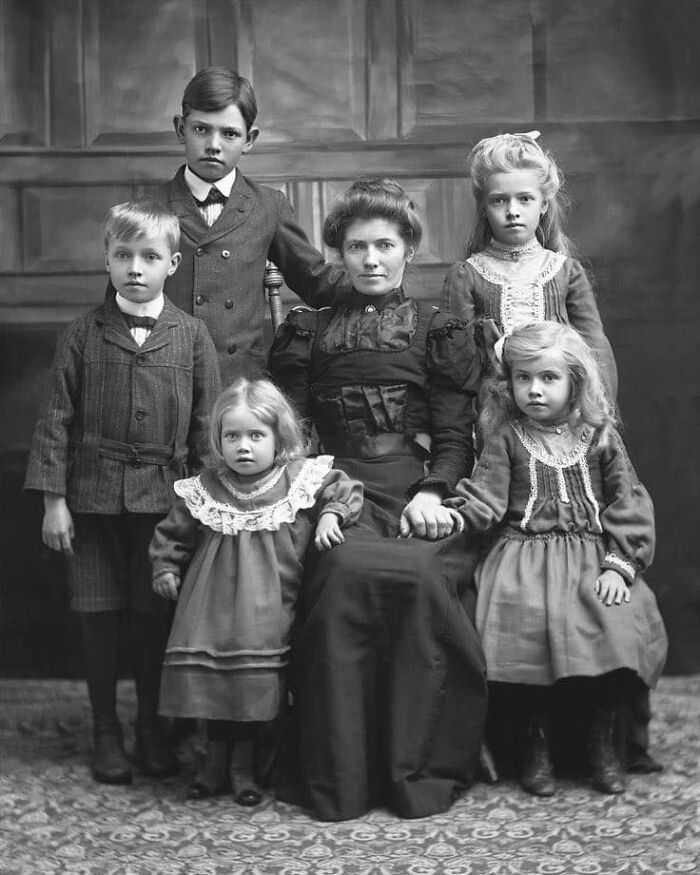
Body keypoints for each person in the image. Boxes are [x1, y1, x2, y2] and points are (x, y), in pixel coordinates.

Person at [269, 178, 487, 821]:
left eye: (384, 245)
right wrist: (321, 497)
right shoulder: (308, 331)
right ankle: (342, 774)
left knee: (419, 573)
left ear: (409, 250)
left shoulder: (438, 328)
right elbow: (296, 435)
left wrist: (432, 490)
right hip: (333, 489)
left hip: (415, 490)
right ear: (337, 252)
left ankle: (412, 767)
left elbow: (452, 437)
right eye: (357, 246)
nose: (370, 259)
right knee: (339, 573)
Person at [24, 201, 221, 785]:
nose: (136, 267)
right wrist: (53, 500)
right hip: (89, 500)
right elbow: (55, 419)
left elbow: (208, 426)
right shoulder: (84, 334)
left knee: (151, 616)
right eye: (123, 255)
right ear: (106, 259)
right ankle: (105, 727)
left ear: (173, 263)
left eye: (150, 257)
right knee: (98, 615)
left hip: (164, 504)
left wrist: (209, 507)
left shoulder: (192, 335)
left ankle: (151, 729)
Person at [444, 322, 667, 796]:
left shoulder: (599, 436)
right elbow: (486, 498)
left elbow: (627, 500)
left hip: (592, 555)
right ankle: (535, 745)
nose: (534, 390)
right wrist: (453, 515)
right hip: (522, 558)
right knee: (526, 627)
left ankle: (602, 745)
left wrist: (618, 564)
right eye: (523, 379)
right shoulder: (506, 439)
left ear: (575, 382)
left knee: (614, 625)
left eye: (548, 378)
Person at [149, 377, 363, 804]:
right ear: (219, 440)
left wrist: (329, 516)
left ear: (279, 436)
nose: (243, 446)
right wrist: (166, 566)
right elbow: (174, 532)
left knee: (251, 688)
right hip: (208, 608)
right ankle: (212, 762)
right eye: (232, 436)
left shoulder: (299, 477)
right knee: (215, 687)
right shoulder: (206, 486)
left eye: (255, 435)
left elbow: (345, 488)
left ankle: (243, 765)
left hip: (266, 607)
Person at [107, 66, 349, 382]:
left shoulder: (268, 205)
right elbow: (116, 306)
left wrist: (376, 287)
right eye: (201, 130)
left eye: (229, 133)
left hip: (240, 386)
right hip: (164, 381)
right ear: (181, 129)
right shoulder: (147, 209)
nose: (214, 145)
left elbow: (316, 281)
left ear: (249, 139)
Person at [441, 131, 617, 397]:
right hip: (493, 411)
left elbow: (595, 348)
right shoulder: (467, 275)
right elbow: (455, 359)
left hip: (560, 409)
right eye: (499, 200)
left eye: (525, 199)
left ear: (544, 204)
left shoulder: (566, 272)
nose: (513, 211)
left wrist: (599, 412)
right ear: (484, 209)